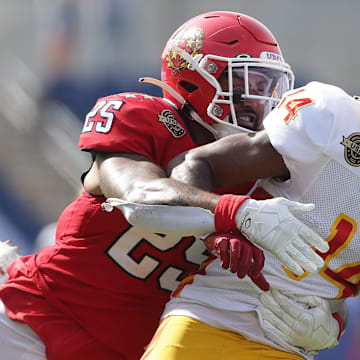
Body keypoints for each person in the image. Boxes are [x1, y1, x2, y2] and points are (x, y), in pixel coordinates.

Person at [0, 11, 328, 360]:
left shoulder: (270, 174)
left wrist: (327, 322)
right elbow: (139, 195)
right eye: (248, 85)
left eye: (269, 88)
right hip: (33, 320)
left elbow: (325, 270)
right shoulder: (147, 120)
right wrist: (235, 212)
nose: (260, 103)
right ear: (195, 79)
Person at [133, 81, 358, 360]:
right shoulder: (336, 120)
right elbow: (194, 164)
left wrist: (334, 326)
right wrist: (220, 227)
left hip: (289, 348)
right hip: (213, 320)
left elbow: (335, 287)